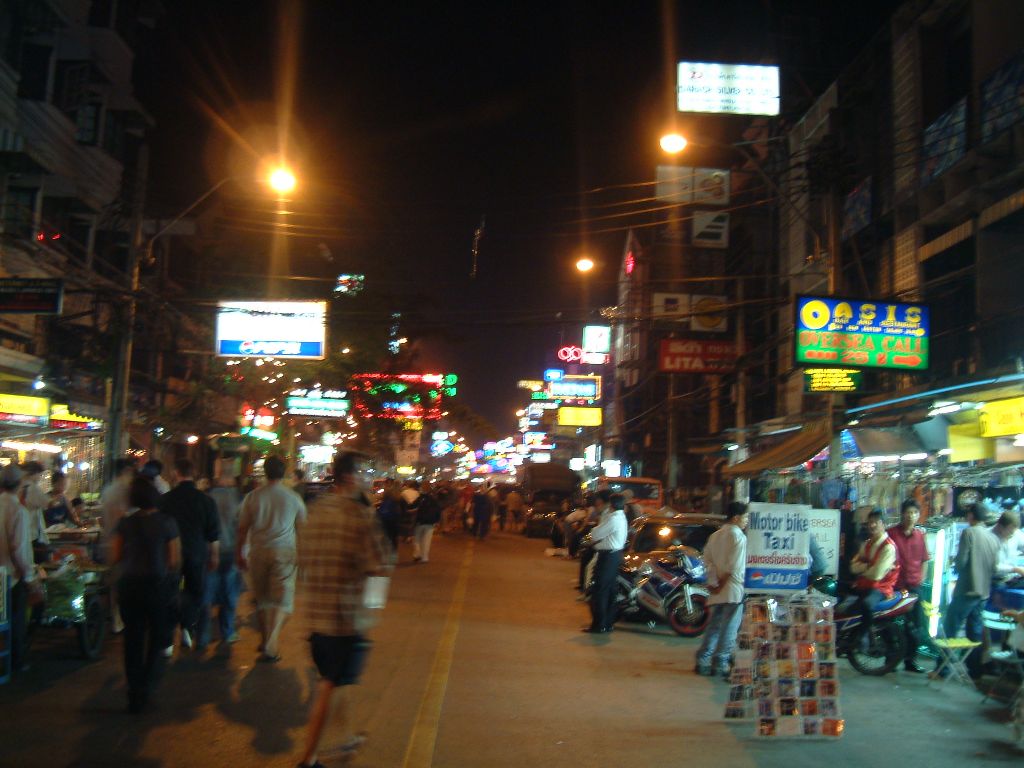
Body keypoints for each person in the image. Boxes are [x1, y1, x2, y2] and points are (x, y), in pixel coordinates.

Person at [296, 451, 392, 768]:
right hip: (344, 619)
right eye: (364, 474)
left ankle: (346, 737)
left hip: (315, 616)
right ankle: (308, 758)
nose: (367, 481)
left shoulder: (315, 512)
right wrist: (372, 608)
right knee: (330, 684)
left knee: (338, 681)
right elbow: (378, 567)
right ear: (350, 477)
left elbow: (302, 558)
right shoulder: (359, 516)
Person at [110, 478, 180, 713]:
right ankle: (147, 686)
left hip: (130, 587)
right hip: (157, 588)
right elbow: (173, 560)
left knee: (133, 640)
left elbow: (116, 556)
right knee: (157, 639)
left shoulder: (125, 523)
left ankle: (134, 691)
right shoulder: (167, 523)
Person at [236, 455, 307, 662]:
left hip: (258, 552)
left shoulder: (253, 497)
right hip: (284, 553)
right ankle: (270, 643)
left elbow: (242, 529)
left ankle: (267, 641)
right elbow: (303, 529)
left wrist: (239, 553)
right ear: (284, 473)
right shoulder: (293, 498)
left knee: (262, 599)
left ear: (265, 473)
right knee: (283, 602)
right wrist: (304, 558)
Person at [160, 459, 220, 652]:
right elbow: (213, 533)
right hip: (196, 553)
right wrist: (214, 556)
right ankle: (187, 626)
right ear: (193, 474)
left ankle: (168, 641)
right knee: (194, 592)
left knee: (169, 593)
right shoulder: (206, 501)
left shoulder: (165, 500)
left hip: (170, 555)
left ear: (176, 473)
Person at [938, 503, 1000, 678]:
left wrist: (955, 563)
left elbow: (961, 563)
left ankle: (942, 669)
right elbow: (995, 568)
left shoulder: (969, 533)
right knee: (975, 632)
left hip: (966, 590)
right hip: (983, 593)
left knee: (950, 629)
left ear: (971, 516)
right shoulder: (993, 538)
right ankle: (975, 671)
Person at [695, 501, 750, 677]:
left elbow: (707, 561)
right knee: (729, 628)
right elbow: (734, 567)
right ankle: (720, 662)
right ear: (736, 518)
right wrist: (721, 584)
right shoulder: (738, 537)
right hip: (732, 588)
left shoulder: (715, 536)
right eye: (745, 517)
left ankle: (703, 660)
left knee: (714, 625)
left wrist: (714, 583)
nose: (746, 521)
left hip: (717, 588)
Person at [0, 464, 43, 673]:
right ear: (19, 486)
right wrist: (29, 577)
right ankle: (16, 661)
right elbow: (19, 550)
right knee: (16, 620)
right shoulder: (18, 510)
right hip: (11, 576)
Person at [887, 499, 933, 673]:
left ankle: (910, 661)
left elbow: (925, 560)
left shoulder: (920, 535)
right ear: (902, 514)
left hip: (914, 587)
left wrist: (921, 578)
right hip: (895, 587)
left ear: (918, 515)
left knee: (914, 626)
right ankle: (890, 660)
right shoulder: (891, 533)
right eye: (908, 512)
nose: (911, 516)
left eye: (914, 512)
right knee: (890, 624)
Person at [849, 510, 899, 652]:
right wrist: (868, 566)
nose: (872, 525)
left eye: (875, 522)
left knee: (866, 604)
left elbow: (877, 575)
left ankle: (863, 637)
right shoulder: (867, 544)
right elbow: (853, 566)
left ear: (883, 524)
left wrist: (863, 568)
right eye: (870, 522)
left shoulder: (888, 547)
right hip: (864, 585)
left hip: (881, 588)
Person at [203, 475, 245, 645]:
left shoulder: (207, 498)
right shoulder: (238, 499)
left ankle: (203, 634)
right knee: (230, 594)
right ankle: (227, 632)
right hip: (231, 550)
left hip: (210, 550)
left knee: (207, 593)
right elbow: (242, 527)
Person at [582, 490, 627, 633]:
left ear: (611, 505)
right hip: (614, 556)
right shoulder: (620, 516)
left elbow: (596, 534)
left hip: (608, 557)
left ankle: (599, 624)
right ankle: (607, 623)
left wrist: (595, 529)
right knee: (610, 591)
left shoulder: (614, 519)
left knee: (600, 591)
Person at [19, 461, 50, 559]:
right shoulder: (32, 488)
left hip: (20, 532)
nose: (40, 478)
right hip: (33, 533)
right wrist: (56, 500)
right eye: (40, 475)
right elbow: (47, 503)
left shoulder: (17, 487)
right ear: (35, 473)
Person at [992, 510, 1024, 580]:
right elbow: (993, 567)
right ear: (1000, 527)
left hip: (1012, 577)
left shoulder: (1015, 533)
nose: (1012, 535)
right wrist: (1015, 569)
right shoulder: (987, 538)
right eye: (1010, 532)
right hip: (994, 579)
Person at [412, 487, 441, 563]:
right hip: (430, 523)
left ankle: (417, 554)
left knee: (417, 539)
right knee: (427, 541)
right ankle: (425, 557)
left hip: (420, 521)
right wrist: (437, 521)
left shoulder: (420, 498)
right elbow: (438, 510)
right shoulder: (434, 500)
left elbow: (412, 505)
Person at [376, 479, 402, 552]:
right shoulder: (400, 493)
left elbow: (382, 499)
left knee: (386, 534)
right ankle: (394, 551)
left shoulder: (387, 491)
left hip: (386, 515)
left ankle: (386, 550)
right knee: (394, 535)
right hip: (395, 515)